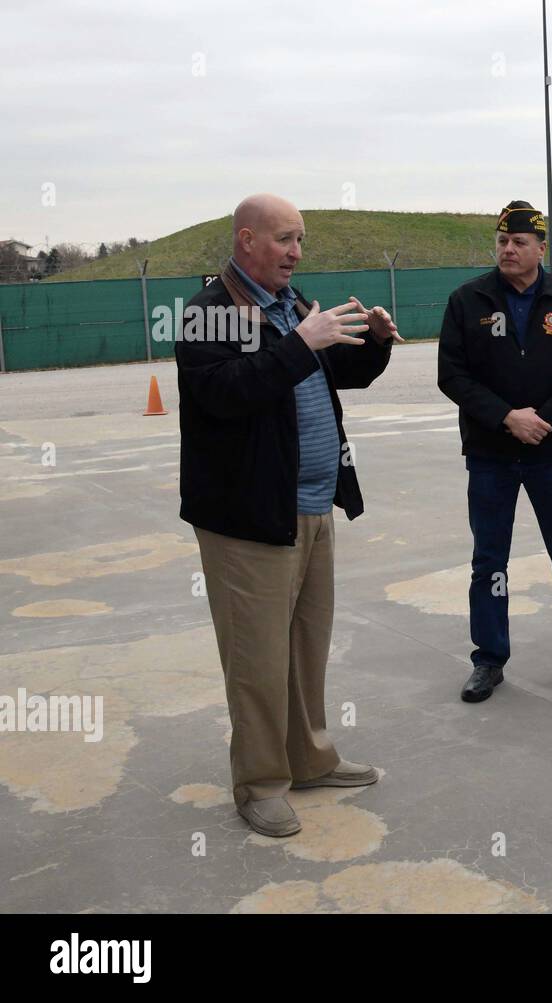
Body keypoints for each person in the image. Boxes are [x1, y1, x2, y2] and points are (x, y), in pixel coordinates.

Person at [176, 193, 400, 837]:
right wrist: (301, 344)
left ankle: (309, 760)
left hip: (310, 506)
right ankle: (259, 782)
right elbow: (224, 394)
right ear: (247, 240)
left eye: (300, 240)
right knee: (257, 659)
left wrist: (375, 346)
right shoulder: (210, 313)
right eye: (284, 240)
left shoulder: (292, 306)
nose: (296, 253)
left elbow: (333, 376)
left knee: (306, 648)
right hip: (248, 517)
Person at [437, 200, 552, 702]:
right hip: (491, 455)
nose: (508, 250)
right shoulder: (467, 301)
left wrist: (545, 418)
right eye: (502, 242)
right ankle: (488, 659)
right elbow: (452, 374)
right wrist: (505, 417)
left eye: (519, 242)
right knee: (489, 560)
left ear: (541, 248)